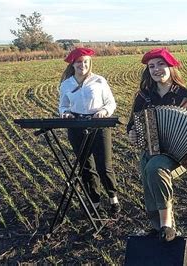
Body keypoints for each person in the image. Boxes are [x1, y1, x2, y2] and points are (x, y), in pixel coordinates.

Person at [127, 48, 187, 242]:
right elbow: (132, 124)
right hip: (152, 150)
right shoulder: (143, 97)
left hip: (179, 155)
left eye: (161, 64)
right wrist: (132, 134)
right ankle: (158, 228)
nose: (156, 69)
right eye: (151, 66)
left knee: (155, 168)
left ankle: (166, 224)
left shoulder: (186, 95)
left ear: (170, 66)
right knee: (148, 167)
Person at [58, 47, 121, 215]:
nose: (83, 65)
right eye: (79, 62)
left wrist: (104, 112)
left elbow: (110, 103)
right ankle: (95, 201)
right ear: (73, 64)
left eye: (86, 61)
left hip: (99, 123)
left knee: (104, 165)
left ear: (90, 63)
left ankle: (113, 199)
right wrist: (65, 113)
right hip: (76, 126)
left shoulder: (99, 81)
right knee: (86, 166)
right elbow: (63, 105)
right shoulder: (66, 84)